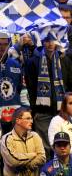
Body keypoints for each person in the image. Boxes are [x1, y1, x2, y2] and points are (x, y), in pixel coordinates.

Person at [25, 31, 72, 159]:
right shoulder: (33, 62)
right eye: (46, 40)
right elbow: (31, 88)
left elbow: (69, 85)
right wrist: (35, 110)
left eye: (53, 40)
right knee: (44, 148)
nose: (50, 44)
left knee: (64, 145)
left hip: (62, 112)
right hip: (42, 112)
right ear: (42, 42)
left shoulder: (65, 60)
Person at [1, 107, 46, 176]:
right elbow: (13, 161)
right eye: (28, 118)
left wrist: (27, 166)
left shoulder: (35, 136)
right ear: (18, 121)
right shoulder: (7, 139)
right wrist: (33, 154)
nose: (32, 121)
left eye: (31, 118)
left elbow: (42, 158)